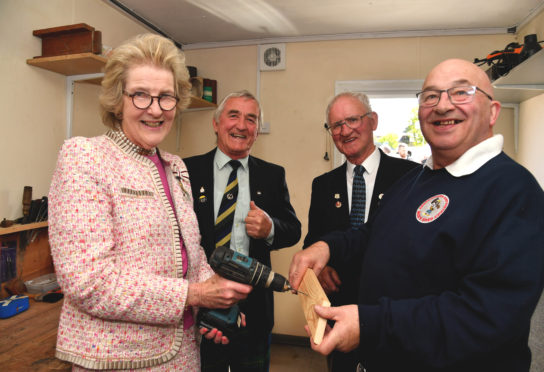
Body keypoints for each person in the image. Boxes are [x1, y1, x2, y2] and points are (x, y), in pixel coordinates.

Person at [289, 59, 544, 371]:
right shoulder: (416, 180)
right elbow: (371, 233)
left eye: (461, 93)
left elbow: (486, 318)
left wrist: (371, 324)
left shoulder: (515, 194)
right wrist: (328, 247)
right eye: (430, 96)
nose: (443, 106)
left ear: (493, 111)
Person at [48, 34, 252, 371]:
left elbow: (193, 251)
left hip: (185, 353)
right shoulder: (85, 157)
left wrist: (215, 300)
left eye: (166, 97)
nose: (155, 110)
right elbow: (87, 280)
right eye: (140, 95)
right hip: (118, 360)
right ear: (118, 100)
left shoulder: (176, 167)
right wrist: (195, 295)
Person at [183, 90, 301, 372]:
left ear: (257, 131)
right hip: (201, 302)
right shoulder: (187, 170)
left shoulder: (273, 174)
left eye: (251, 119)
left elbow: (293, 230)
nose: (241, 125)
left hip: (254, 306)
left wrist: (270, 227)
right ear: (216, 123)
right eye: (233, 115)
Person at [304, 92, 417, 371]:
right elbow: (313, 240)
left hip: (393, 311)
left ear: (373, 121)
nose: (345, 131)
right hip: (340, 309)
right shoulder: (322, 185)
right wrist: (323, 265)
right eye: (337, 125)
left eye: (352, 120)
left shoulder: (411, 177)